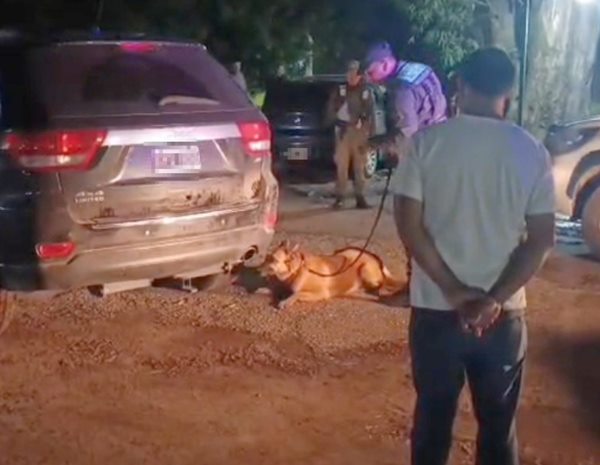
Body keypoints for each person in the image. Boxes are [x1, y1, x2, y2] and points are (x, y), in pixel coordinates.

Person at [393, 47, 555, 465]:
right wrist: (492, 299)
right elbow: (540, 239)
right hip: (502, 318)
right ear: (509, 96)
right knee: (499, 432)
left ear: (460, 86)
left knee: (432, 426)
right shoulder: (531, 152)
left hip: (435, 311)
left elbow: (409, 225)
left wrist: (454, 292)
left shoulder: (426, 144)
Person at [364, 41, 448, 293]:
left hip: (423, 160)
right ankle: (435, 285)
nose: (369, 77)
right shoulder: (421, 70)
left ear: (385, 64)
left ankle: (415, 289)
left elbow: (404, 134)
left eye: (371, 71)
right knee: (435, 227)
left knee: (412, 226)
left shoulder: (400, 89)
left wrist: (371, 145)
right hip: (442, 149)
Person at [326, 60, 374, 209]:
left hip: (359, 133)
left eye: (354, 73)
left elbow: (370, 112)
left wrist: (367, 130)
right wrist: (335, 121)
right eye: (349, 72)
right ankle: (340, 197)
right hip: (343, 132)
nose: (351, 76)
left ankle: (360, 197)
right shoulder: (340, 90)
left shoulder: (365, 91)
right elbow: (330, 109)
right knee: (341, 166)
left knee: (360, 166)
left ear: (360, 75)